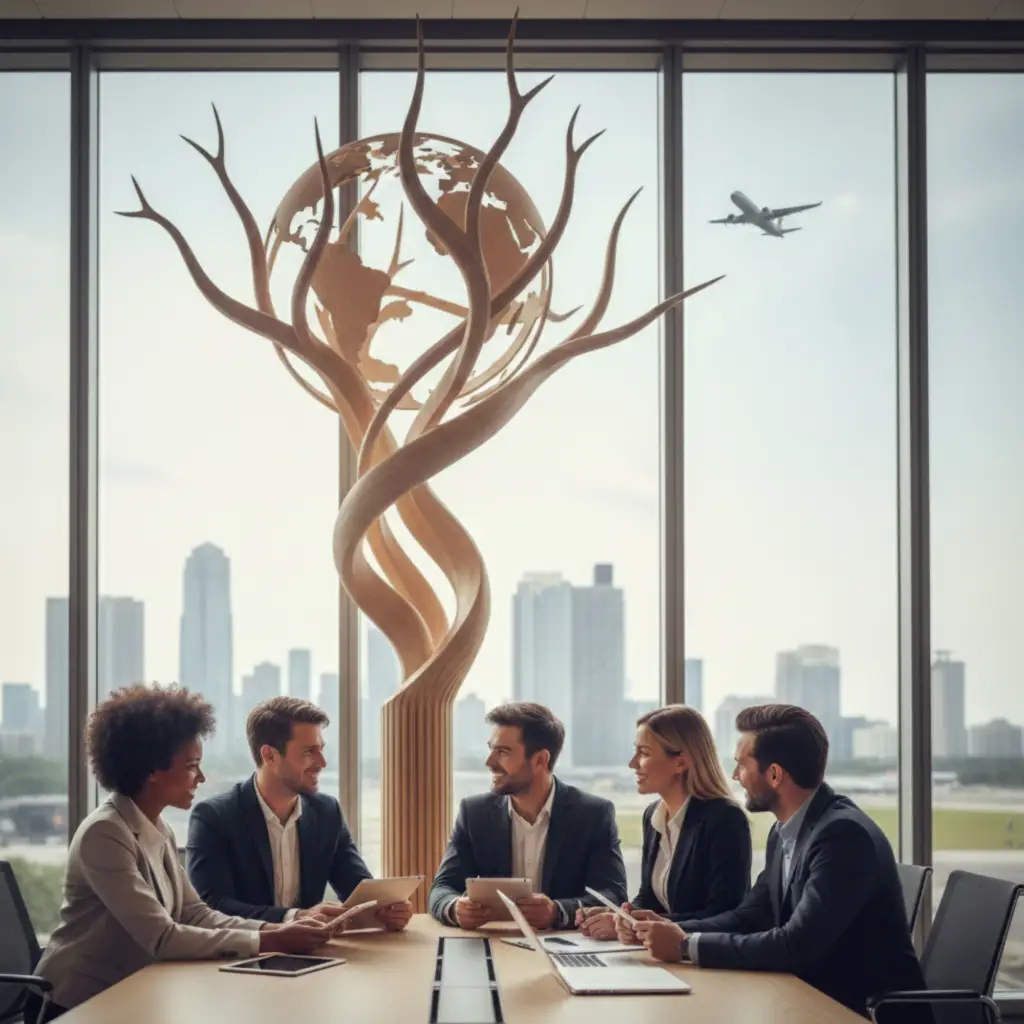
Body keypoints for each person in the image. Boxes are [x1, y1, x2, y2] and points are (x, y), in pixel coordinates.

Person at [30, 685, 333, 1020]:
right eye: (192, 765)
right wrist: (271, 942)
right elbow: (162, 937)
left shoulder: (158, 827)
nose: (201, 777)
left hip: (135, 992)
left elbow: (195, 913)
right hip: (79, 1005)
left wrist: (271, 931)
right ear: (151, 769)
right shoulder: (104, 834)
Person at [621, 703, 926, 1017]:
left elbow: (797, 946)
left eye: (741, 764)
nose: (735, 776)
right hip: (808, 998)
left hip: (858, 1011)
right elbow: (750, 916)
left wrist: (685, 947)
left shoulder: (842, 836)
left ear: (775, 774)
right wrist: (667, 928)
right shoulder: (786, 832)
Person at [187, 696, 411, 931]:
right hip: (239, 957)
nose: (322, 762)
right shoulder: (214, 817)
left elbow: (358, 889)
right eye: (309, 751)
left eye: (321, 750)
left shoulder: (327, 812)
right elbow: (212, 906)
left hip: (313, 956)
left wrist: (385, 909)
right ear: (269, 755)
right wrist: (294, 917)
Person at [428, 702, 627, 931]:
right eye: (491, 749)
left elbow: (613, 895)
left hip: (565, 948)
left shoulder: (592, 814)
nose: (489, 762)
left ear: (541, 759)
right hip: (492, 942)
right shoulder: (474, 813)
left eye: (502, 752)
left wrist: (557, 911)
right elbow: (441, 888)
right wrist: (454, 907)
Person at [576, 704, 750, 940]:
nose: (633, 763)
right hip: (661, 955)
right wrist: (616, 914)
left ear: (680, 762)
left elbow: (724, 914)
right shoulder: (653, 816)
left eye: (644, 753)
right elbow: (650, 898)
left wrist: (636, 923)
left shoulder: (724, 818)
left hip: (702, 957)